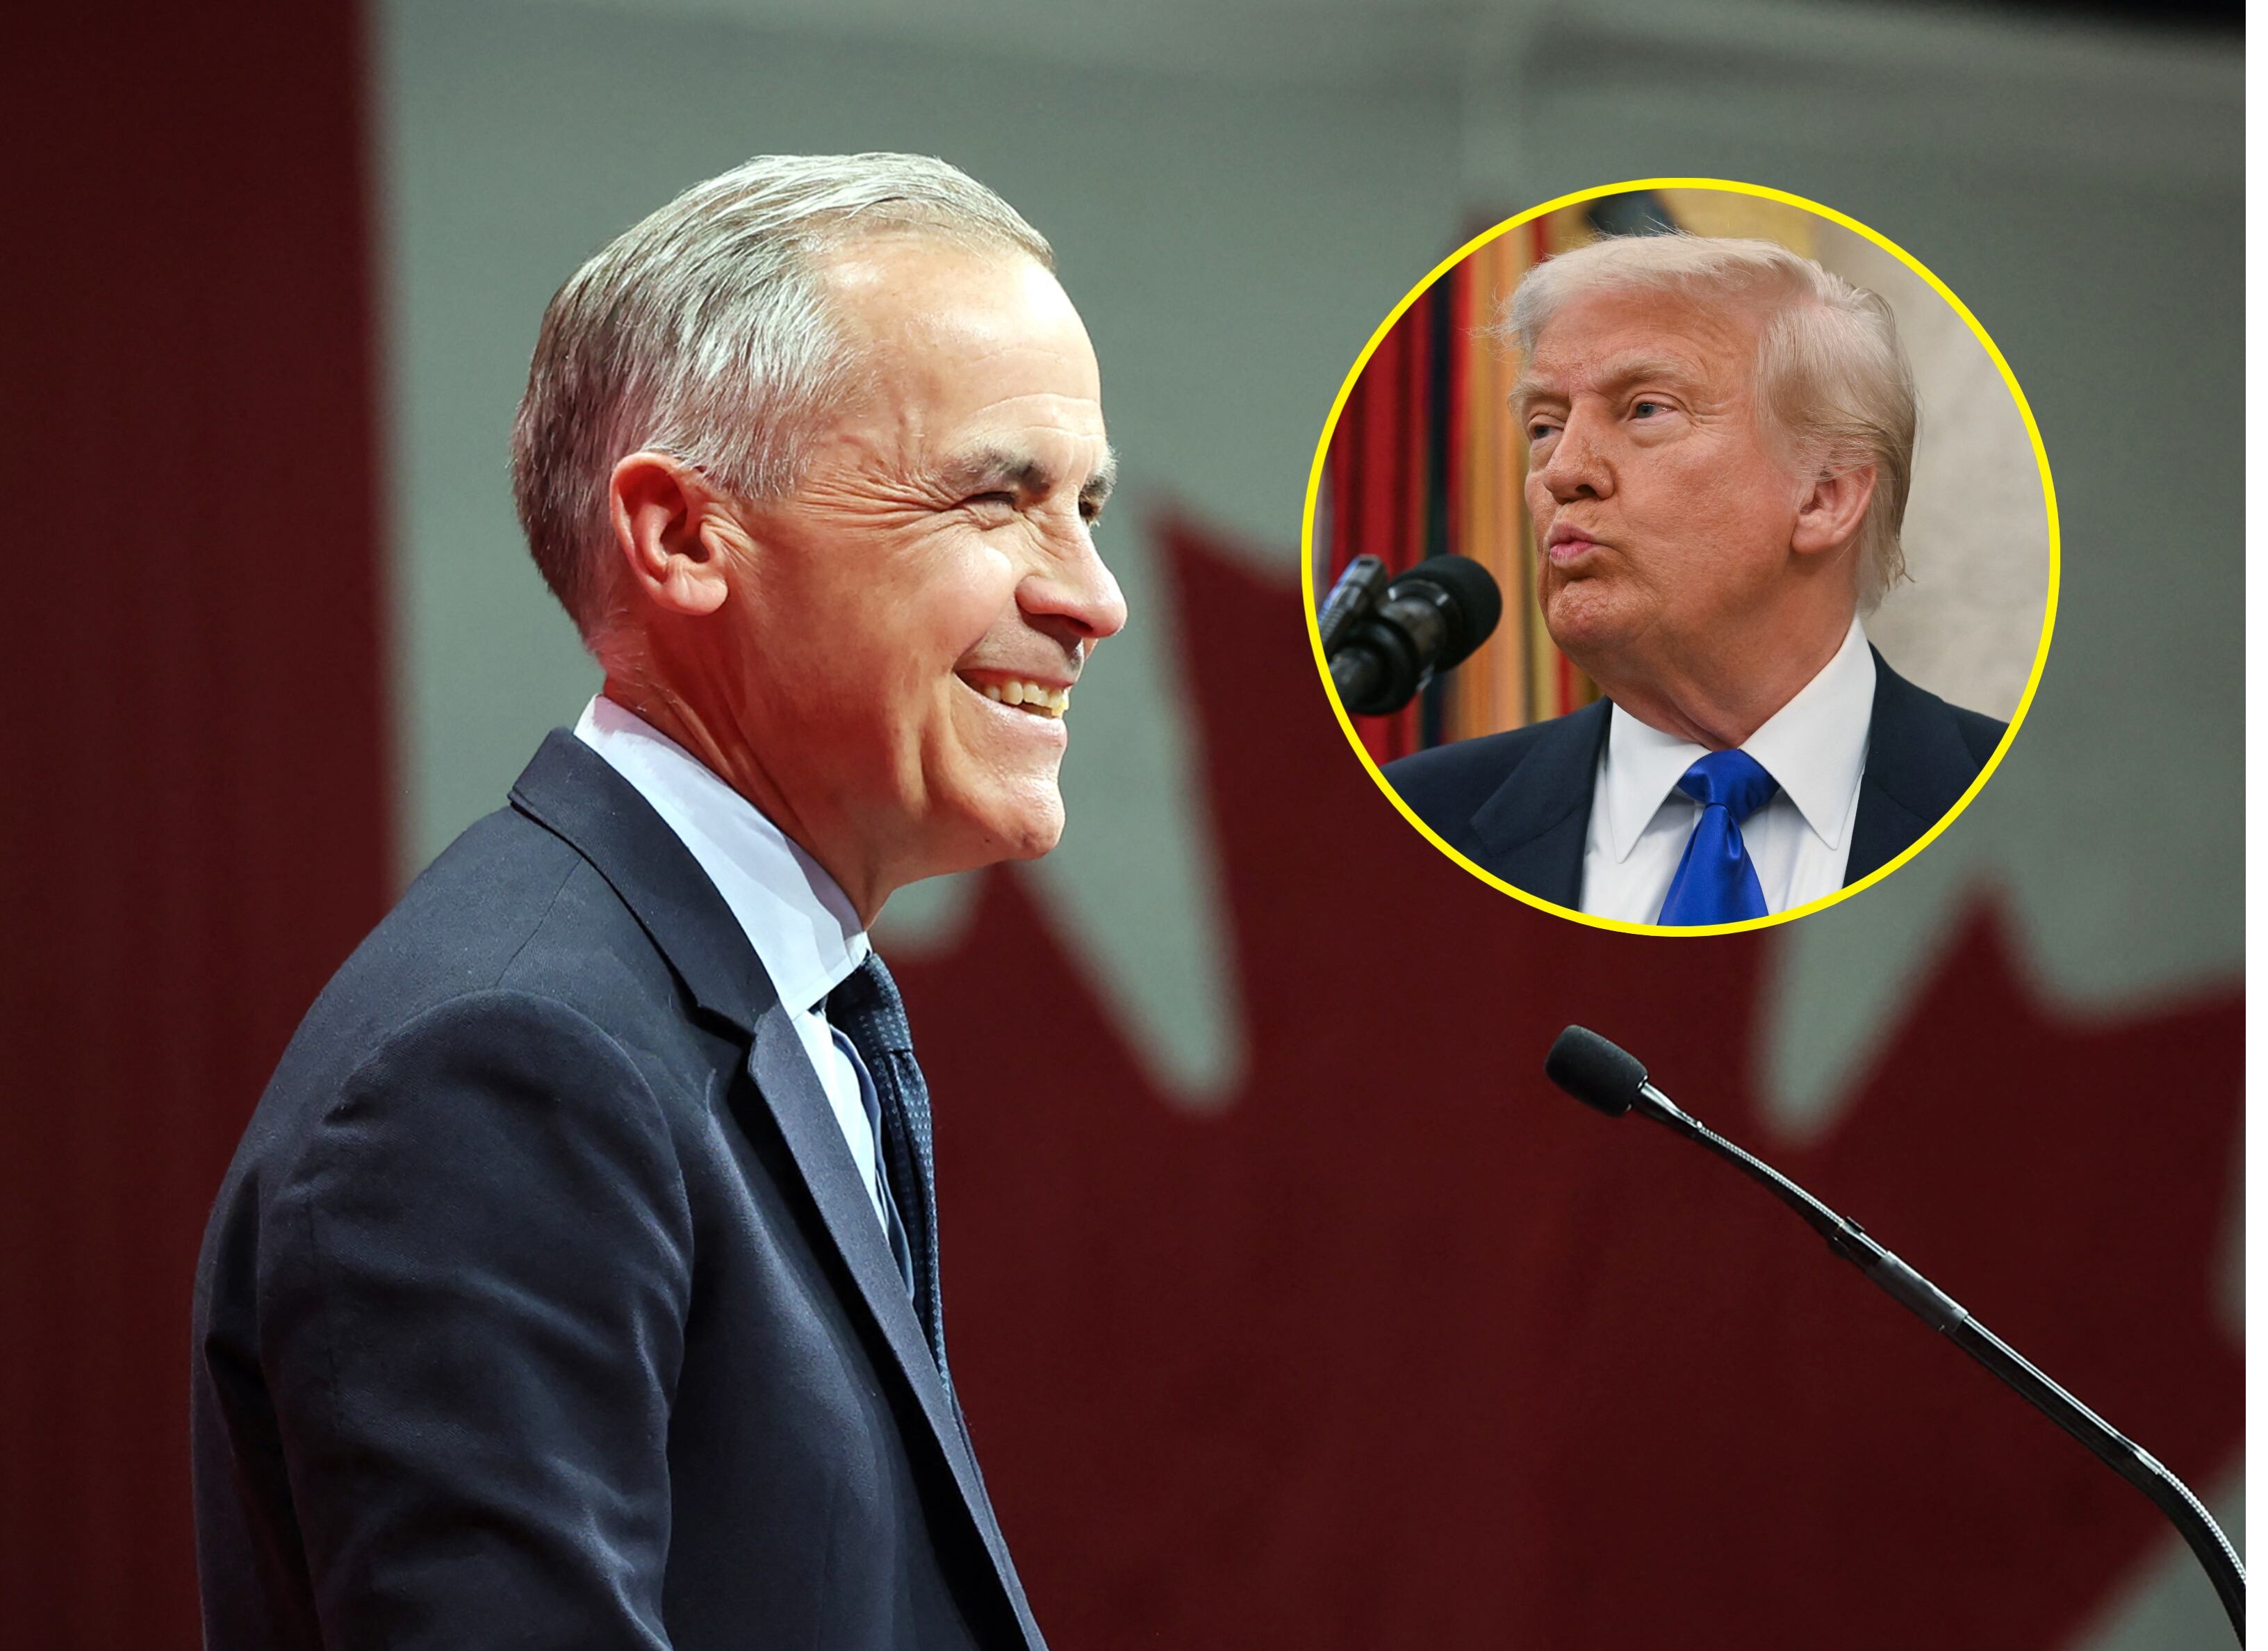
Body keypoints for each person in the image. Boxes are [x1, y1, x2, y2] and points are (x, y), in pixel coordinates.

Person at [191, 154, 1124, 1650]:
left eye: (1087, 506)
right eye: (997, 499)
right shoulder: (506, 1066)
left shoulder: (752, 1008)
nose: (1093, 595)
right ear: (685, 538)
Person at [1386, 233, 2006, 925]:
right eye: (1544, 426)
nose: (1563, 471)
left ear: (1823, 495)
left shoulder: (2025, 815)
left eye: (1646, 409)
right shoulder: (1409, 826)